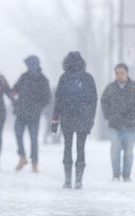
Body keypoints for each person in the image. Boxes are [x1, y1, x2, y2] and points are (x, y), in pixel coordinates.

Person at [52, 51, 97, 189]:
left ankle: (67, 179)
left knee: (67, 147)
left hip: (67, 117)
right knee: (80, 148)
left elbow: (58, 100)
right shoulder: (88, 78)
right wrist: (91, 118)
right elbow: (93, 100)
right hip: (83, 117)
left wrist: (55, 121)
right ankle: (78, 179)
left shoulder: (64, 78)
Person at [13, 55, 51, 172]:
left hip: (34, 114)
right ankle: (22, 156)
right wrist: (16, 103)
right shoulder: (24, 77)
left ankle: (34, 162)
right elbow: (15, 89)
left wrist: (38, 107)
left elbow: (47, 97)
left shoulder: (43, 79)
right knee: (18, 134)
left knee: (33, 139)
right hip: (21, 112)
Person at [101, 63, 135, 182]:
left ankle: (126, 175)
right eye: (117, 73)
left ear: (127, 73)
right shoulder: (110, 88)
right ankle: (116, 174)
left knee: (128, 152)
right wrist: (108, 116)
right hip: (115, 126)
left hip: (131, 126)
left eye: (122, 73)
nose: (119, 76)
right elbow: (104, 101)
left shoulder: (133, 87)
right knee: (115, 150)